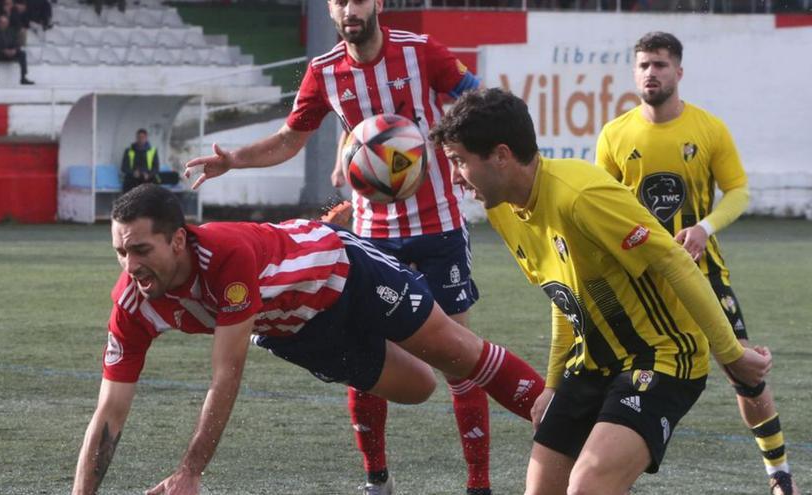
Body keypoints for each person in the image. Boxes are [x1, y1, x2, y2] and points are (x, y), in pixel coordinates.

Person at [185, 0, 493, 492]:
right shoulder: (324, 71)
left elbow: (482, 101)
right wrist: (234, 161)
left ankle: (479, 484)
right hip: (370, 240)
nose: (349, 8)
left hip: (439, 230)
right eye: (338, 0)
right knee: (368, 362)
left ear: (379, 4)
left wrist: (444, 142)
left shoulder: (422, 53)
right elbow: (290, 139)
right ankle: (377, 481)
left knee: (461, 357)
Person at [71, 184, 544, 495]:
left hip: (345, 271)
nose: (130, 266)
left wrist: (190, 471)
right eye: (120, 251)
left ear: (177, 240)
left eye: (140, 250)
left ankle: (567, 431)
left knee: (459, 355)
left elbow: (226, 375)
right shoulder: (132, 304)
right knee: (419, 388)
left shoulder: (224, 258)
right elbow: (109, 412)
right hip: (297, 333)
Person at [429, 88, 773, 495]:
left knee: (588, 486)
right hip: (593, 360)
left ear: (501, 155)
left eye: (459, 162)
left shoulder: (580, 195)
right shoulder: (503, 207)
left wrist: (731, 355)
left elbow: (675, 261)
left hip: (662, 355)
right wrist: (553, 384)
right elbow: (564, 294)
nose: (453, 177)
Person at [595, 31, 800, 495]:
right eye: (645, 65)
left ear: (679, 72)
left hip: (702, 271)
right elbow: (599, 206)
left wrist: (705, 227)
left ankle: (779, 474)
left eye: (661, 65)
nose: (652, 73)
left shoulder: (708, 129)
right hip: (639, 279)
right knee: (619, 373)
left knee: (745, 372)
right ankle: (605, 471)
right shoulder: (614, 134)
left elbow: (740, 191)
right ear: (634, 72)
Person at [0, 14, 33, 85]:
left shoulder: (11, 31)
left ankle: (23, 77)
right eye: (1, 22)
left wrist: (14, 50)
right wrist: (3, 50)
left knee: (22, 53)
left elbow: (16, 43)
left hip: (8, 53)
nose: (3, 24)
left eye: (5, 22)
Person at [121, 129, 160, 193]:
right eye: (139, 137)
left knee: (154, 184)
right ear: (136, 138)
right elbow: (123, 167)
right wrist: (133, 173)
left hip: (147, 178)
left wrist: (149, 174)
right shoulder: (128, 151)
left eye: (143, 137)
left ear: (146, 138)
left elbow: (156, 168)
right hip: (133, 178)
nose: (140, 139)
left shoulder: (153, 151)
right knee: (128, 181)